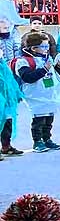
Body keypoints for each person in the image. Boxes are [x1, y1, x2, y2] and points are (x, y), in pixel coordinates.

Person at [12, 30, 60, 151]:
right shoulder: (23, 61)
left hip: (48, 94)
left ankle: (47, 139)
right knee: (38, 120)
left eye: (47, 46)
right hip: (35, 96)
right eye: (43, 46)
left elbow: (54, 75)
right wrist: (44, 69)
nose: (46, 49)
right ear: (33, 48)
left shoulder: (46, 59)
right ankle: (37, 141)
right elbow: (28, 77)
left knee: (49, 119)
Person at [0, 16, 21, 157]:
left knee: (7, 119)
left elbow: (10, 81)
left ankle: (6, 146)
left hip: (6, 95)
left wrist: (16, 94)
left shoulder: (3, 65)